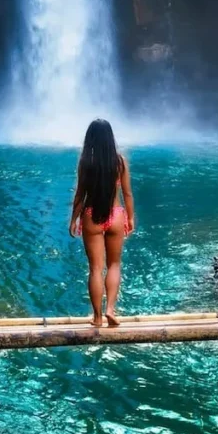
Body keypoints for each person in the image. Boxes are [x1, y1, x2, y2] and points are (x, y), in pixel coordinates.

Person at [69, 119, 135, 327]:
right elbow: (127, 193)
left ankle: (97, 318)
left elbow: (80, 194)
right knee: (114, 264)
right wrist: (130, 217)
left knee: (96, 268)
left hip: (91, 215)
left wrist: (73, 219)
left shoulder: (85, 163)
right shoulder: (120, 162)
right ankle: (111, 310)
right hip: (115, 215)